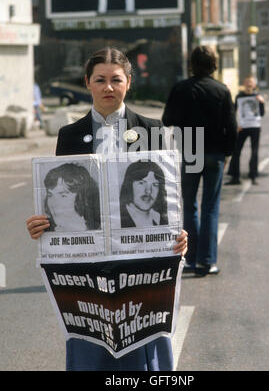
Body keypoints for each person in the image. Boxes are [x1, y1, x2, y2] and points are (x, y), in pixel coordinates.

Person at [26, 47, 187, 371]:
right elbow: (66, 197)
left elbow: (168, 196)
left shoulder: (153, 129)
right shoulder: (69, 135)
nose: (108, 87)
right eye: (100, 80)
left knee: (144, 339)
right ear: (88, 82)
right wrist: (42, 226)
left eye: (116, 79)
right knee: (91, 339)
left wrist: (179, 233)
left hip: (142, 262)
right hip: (88, 267)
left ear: (129, 82)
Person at [162, 46, 237, 277]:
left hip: (190, 151)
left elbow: (167, 120)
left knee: (190, 205)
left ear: (191, 63)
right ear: (214, 64)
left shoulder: (181, 88)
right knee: (211, 207)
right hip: (214, 153)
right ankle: (208, 261)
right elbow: (231, 127)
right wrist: (227, 153)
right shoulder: (221, 90)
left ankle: (191, 258)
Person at [226, 76, 265, 186]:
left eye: (251, 83)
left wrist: (262, 103)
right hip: (242, 127)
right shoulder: (239, 96)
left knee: (254, 152)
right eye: (247, 82)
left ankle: (253, 176)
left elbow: (261, 114)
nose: (249, 84)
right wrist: (236, 125)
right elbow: (233, 111)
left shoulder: (257, 96)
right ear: (244, 84)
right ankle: (235, 177)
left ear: (254, 85)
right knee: (236, 151)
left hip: (255, 127)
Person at [44, 162, 101, 232]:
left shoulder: (102, 231)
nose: (54, 203)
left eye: (63, 195)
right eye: (50, 195)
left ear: (82, 198)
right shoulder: (47, 231)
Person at [120, 160, 168, 228]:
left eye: (155, 185)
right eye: (142, 183)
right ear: (129, 185)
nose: (148, 191)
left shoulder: (162, 221)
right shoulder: (116, 220)